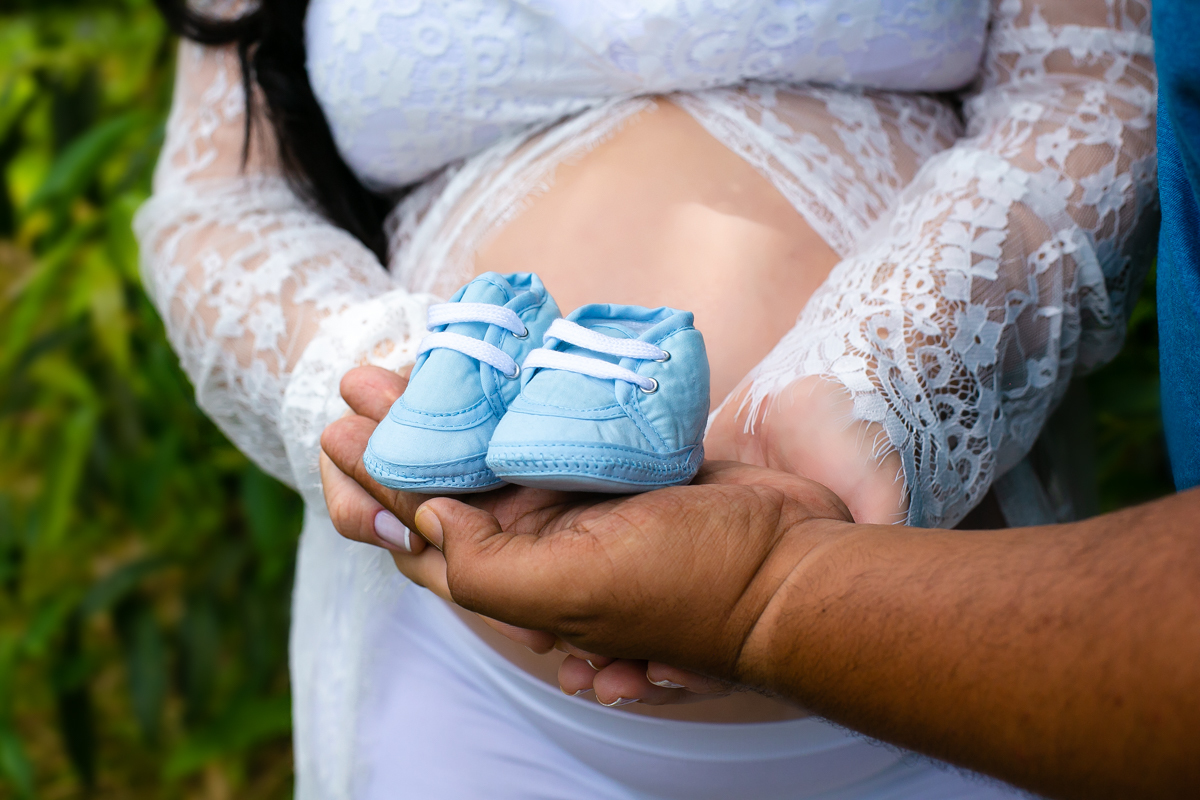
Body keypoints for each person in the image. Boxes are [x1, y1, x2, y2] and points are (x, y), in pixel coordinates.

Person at [138, 0, 1155, 798]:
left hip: (950, 662)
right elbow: (219, 199)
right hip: (469, 702)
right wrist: (388, 383)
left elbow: (1094, 85)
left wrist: (891, 379)